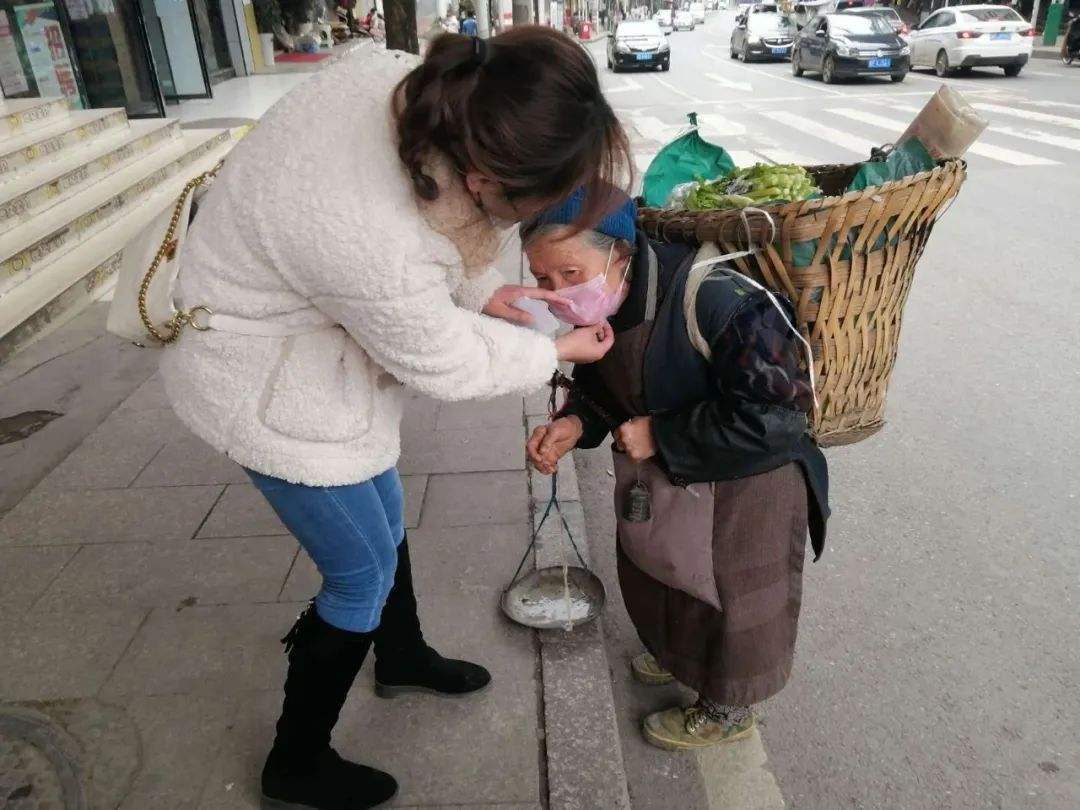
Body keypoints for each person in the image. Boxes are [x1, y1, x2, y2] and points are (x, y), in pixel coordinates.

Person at [159, 29, 628, 810]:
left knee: (381, 511)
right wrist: (554, 354)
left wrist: (486, 293)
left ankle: (401, 654)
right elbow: (442, 359)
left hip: (312, 334)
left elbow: (446, 245)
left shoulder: (424, 86)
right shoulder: (366, 232)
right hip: (260, 378)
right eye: (534, 203)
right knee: (358, 571)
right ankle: (295, 760)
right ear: (483, 178)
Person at [524, 188, 829, 752]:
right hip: (667, 480)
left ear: (621, 253)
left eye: (570, 273)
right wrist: (574, 424)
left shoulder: (722, 300)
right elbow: (604, 390)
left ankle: (728, 709)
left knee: (732, 599)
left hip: (748, 485)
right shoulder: (610, 302)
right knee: (664, 572)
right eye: (544, 281)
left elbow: (780, 420)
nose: (558, 294)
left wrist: (660, 434)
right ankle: (678, 656)